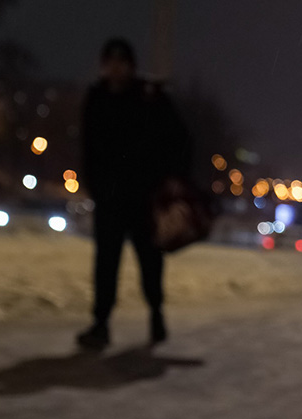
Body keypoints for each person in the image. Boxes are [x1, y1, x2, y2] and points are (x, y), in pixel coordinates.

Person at [77, 39, 190, 351]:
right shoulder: (96, 97)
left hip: (145, 197)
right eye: (109, 62)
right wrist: (95, 185)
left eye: (121, 62)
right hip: (110, 197)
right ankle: (101, 323)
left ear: (130, 65)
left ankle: (156, 313)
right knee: (106, 263)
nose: (115, 68)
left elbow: (180, 139)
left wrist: (172, 180)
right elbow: (88, 146)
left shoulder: (150, 97)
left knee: (150, 260)